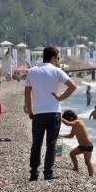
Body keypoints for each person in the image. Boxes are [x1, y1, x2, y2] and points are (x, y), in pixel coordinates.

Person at [24, 46, 77, 181]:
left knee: (36, 143)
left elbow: (27, 94)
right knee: (51, 143)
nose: (58, 60)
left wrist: (30, 111)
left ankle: (34, 172)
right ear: (53, 57)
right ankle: (48, 172)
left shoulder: (32, 71)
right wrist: (61, 97)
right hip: (53, 111)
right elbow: (73, 86)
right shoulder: (56, 71)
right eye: (58, 58)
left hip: (38, 112)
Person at [60, 110, 94, 177]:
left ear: (71, 118)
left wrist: (58, 116)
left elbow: (67, 123)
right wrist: (60, 136)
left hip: (88, 146)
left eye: (68, 120)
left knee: (87, 162)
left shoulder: (78, 122)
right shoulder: (74, 125)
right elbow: (71, 136)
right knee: (72, 154)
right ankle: (76, 168)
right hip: (81, 146)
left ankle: (91, 176)